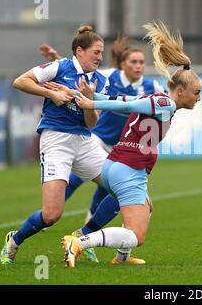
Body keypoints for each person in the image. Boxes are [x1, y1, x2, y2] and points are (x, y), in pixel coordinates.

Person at [59, 21, 202, 268]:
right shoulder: (165, 104)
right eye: (196, 92)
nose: (198, 98)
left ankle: (121, 257)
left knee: (146, 206)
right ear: (180, 91)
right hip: (127, 168)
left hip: (116, 164)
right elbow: (126, 105)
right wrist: (92, 104)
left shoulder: (157, 99)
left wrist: (94, 97)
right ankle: (80, 241)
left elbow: (123, 99)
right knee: (137, 235)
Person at [39, 37, 165, 265]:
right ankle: (51, 215)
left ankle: (90, 235)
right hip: (98, 140)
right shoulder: (110, 76)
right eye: (134, 61)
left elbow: (166, 100)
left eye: (141, 62)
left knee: (114, 193)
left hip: (123, 149)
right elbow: (81, 76)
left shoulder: (152, 87)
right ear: (123, 64)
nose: (138, 66)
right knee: (77, 181)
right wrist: (56, 59)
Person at [0, 25, 109, 265]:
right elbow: (20, 81)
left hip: (84, 142)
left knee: (122, 188)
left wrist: (88, 102)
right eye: (96, 52)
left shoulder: (99, 81)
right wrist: (52, 95)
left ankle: (82, 237)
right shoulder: (60, 67)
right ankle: (15, 239)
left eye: (102, 53)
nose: (101, 57)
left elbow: (91, 124)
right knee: (51, 215)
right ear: (80, 51)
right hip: (56, 140)